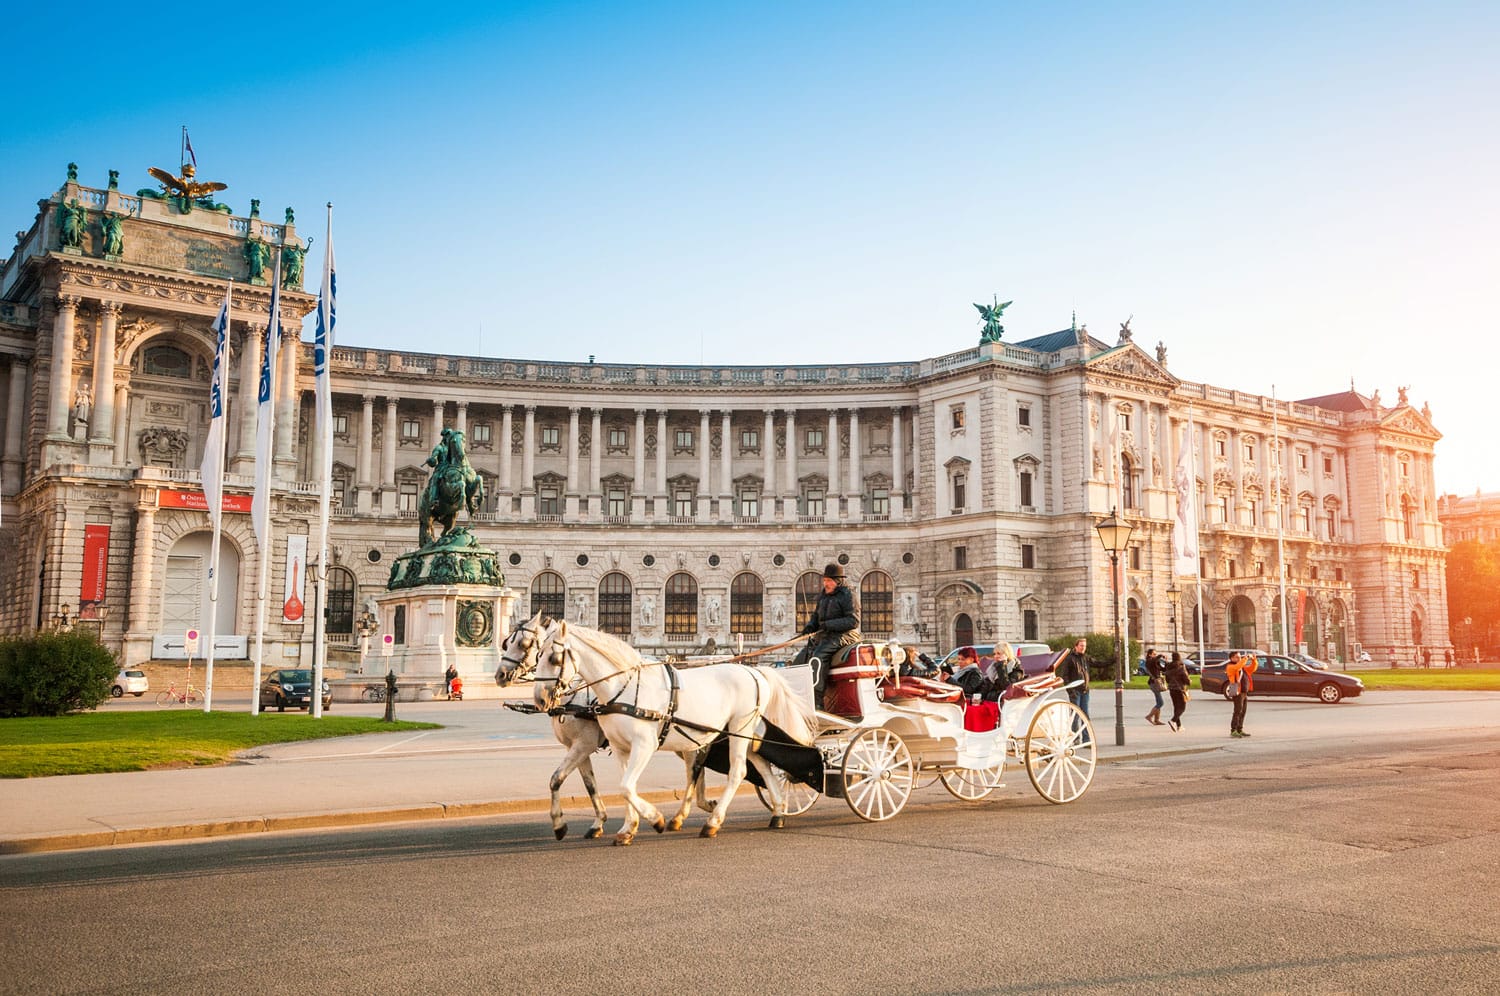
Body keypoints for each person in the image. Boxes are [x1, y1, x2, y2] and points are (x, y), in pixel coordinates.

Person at [789, 562, 862, 697]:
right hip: (826, 636)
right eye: (824, 580)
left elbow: (853, 621)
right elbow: (817, 616)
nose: (825, 584)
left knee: (818, 656)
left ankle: (817, 697)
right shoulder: (824, 595)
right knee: (801, 658)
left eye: (829, 581)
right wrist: (810, 626)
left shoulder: (848, 595)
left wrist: (828, 625)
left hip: (845, 635)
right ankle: (797, 693)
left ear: (838, 581)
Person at [1053, 637, 1091, 744]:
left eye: (1084, 646)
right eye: (1081, 646)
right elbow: (1065, 676)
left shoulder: (1085, 658)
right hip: (1075, 691)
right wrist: (1070, 691)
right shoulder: (1070, 659)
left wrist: (1113, 660)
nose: (1083, 648)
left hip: (1085, 690)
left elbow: (1098, 663)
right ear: (1076, 646)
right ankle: (1075, 738)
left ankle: (1087, 739)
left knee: (1085, 715)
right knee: (1075, 715)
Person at [1225, 651, 1258, 738]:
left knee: (1243, 711)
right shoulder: (1230, 666)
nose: (1239, 658)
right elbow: (1237, 667)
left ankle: (1240, 729)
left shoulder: (1242, 667)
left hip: (1244, 691)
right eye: (1237, 657)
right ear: (1232, 658)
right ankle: (1233, 730)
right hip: (1237, 692)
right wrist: (1246, 658)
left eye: (1240, 657)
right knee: (1237, 711)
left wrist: (1254, 660)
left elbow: (1252, 669)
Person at [1164, 652, 1191, 732]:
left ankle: (1179, 726)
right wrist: (1189, 681)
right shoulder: (1181, 667)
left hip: (1172, 689)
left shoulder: (1168, 667)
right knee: (1182, 708)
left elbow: (1167, 680)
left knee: (1176, 707)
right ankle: (1173, 721)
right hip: (1180, 689)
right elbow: (1186, 680)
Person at [1144, 648, 1166, 726]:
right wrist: (1161, 655)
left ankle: (1156, 720)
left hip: (1157, 682)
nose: (1155, 655)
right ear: (1149, 654)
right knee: (1160, 703)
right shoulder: (1149, 661)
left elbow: (1162, 669)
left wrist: (1165, 662)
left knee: (1158, 702)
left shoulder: (1155, 662)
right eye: (1154, 654)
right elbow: (1154, 660)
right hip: (1154, 683)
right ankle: (1149, 716)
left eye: (1155, 654)